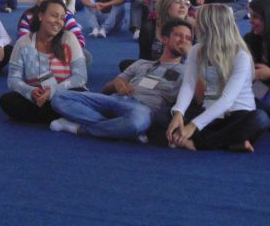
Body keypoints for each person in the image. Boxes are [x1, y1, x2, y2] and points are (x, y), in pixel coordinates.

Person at [50, 19, 193, 142]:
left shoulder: (188, 71)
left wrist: (191, 55)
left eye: (188, 38)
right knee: (59, 97)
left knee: (136, 123)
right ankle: (120, 129)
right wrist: (119, 84)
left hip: (144, 109)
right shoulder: (141, 64)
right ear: (164, 39)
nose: (184, 41)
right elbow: (107, 88)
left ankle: (80, 128)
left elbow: (199, 93)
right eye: (178, 35)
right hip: (117, 99)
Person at [167, 4, 269, 152]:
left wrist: (193, 126)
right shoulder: (196, 50)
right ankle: (231, 143)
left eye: (198, 22)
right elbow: (188, 85)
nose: (195, 24)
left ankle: (198, 143)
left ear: (210, 27)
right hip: (210, 112)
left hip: (238, 114)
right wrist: (178, 113)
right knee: (170, 113)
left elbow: (227, 100)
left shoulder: (241, 56)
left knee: (260, 118)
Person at [0, 0, 87, 123]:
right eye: (54, 16)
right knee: (7, 101)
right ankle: (65, 117)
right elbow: (13, 79)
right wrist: (30, 91)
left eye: (62, 18)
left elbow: (81, 77)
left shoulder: (69, 38)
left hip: (64, 93)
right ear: (41, 16)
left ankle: (52, 116)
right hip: (38, 96)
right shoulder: (23, 43)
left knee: (77, 96)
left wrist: (53, 91)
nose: (58, 21)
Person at [244, 0, 270, 129]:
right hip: (259, 89)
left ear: (269, 18)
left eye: (255, 17)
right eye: (250, 15)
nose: (250, 20)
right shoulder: (250, 38)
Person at [17, 0, 85, 48]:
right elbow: (22, 40)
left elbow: (80, 40)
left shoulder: (66, 15)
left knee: (85, 54)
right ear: (40, 16)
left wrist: (61, 51)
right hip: (34, 52)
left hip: (60, 51)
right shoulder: (29, 15)